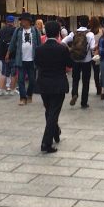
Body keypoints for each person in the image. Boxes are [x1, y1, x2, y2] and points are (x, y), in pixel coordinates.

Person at [34, 20, 72, 153]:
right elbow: (69, 64)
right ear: (58, 33)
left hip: (43, 83)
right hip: (58, 83)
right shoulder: (62, 48)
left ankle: (55, 132)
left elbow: (37, 64)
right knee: (53, 112)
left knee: (49, 110)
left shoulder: (39, 49)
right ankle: (46, 143)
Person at [6, 13, 41, 106]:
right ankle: (22, 98)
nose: (22, 22)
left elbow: (39, 45)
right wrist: (8, 54)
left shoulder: (35, 31)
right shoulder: (18, 31)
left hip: (32, 59)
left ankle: (29, 94)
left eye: (24, 20)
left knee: (32, 80)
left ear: (29, 21)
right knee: (20, 80)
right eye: (21, 20)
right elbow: (12, 43)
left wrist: (40, 57)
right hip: (21, 59)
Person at [63, 15, 96, 109]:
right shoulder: (90, 34)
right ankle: (84, 102)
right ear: (88, 23)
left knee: (75, 79)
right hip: (87, 60)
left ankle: (74, 94)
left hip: (75, 60)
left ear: (79, 23)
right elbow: (93, 47)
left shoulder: (74, 33)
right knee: (86, 81)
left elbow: (63, 41)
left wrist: (70, 49)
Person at [0, 15, 16, 96]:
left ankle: (1, 89)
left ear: (6, 21)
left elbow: (0, 42)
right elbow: (14, 43)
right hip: (12, 54)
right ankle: (12, 90)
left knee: (3, 72)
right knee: (13, 73)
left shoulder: (2, 30)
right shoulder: (15, 30)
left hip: (2, 54)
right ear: (13, 22)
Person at [88, 16, 104, 97]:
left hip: (93, 55)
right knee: (103, 71)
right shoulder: (102, 31)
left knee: (96, 72)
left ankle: (98, 88)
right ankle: (102, 88)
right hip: (102, 53)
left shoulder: (89, 33)